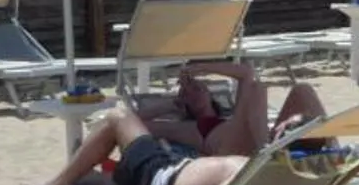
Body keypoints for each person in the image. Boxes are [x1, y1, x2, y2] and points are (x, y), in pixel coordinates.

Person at [26, 105, 252, 185]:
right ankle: (88, 174)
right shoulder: (262, 170)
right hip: (168, 170)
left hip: (158, 178)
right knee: (131, 149)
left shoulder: (249, 174)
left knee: (118, 117)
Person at [136, 62, 323, 157]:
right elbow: (135, 123)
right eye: (186, 93)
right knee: (257, 88)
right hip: (230, 151)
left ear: (210, 95)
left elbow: (246, 72)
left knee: (302, 90)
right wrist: (171, 104)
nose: (191, 92)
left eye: (197, 88)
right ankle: (266, 153)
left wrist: (199, 68)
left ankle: (335, 150)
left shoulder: (235, 115)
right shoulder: (187, 127)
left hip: (254, 138)